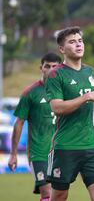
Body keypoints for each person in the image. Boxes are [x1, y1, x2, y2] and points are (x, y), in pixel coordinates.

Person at [45, 26, 94, 201]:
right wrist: (86, 97)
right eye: (72, 42)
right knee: (59, 196)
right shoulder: (55, 74)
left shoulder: (90, 72)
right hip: (66, 146)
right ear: (62, 49)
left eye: (80, 40)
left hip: (91, 145)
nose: (78, 44)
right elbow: (57, 108)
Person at [8, 52, 62, 201]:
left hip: (59, 152)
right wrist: (13, 154)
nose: (51, 69)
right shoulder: (30, 93)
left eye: (54, 66)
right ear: (41, 68)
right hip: (38, 152)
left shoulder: (64, 92)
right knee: (47, 192)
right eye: (47, 66)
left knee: (58, 195)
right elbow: (19, 123)